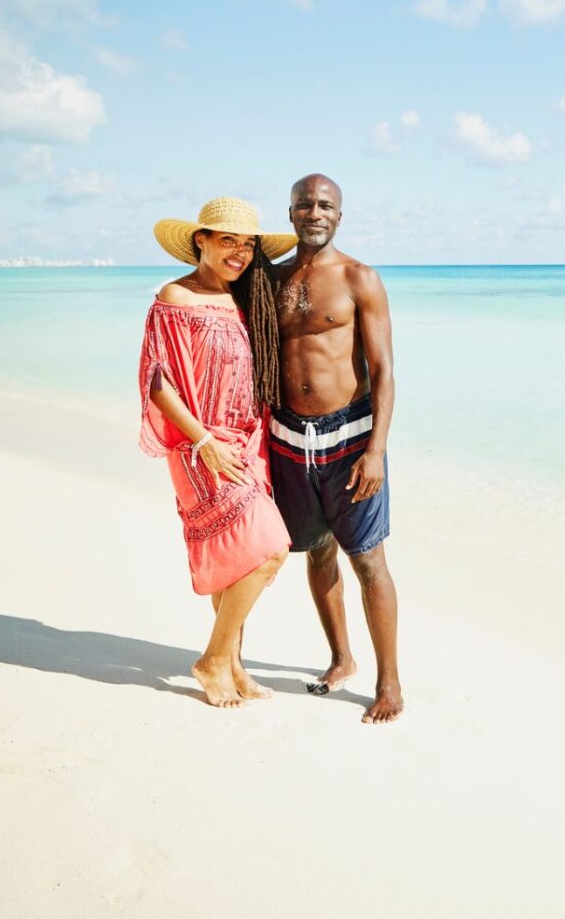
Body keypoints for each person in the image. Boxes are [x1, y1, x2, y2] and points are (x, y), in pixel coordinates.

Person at [139, 196, 298, 708]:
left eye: (247, 244)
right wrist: (204, 443)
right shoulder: (175, 297)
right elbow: (158, 381)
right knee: (271, 550)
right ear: (200, 241)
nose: (239, 252)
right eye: (227, 240)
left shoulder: (243, 297)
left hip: (247, 439)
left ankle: (231, 665)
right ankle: (212, 660)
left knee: (236, 556)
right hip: (198, 443)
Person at [269, 173, 403, 724]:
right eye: (305, 204)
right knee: (317, 550)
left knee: (368, 560)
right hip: (286, 437)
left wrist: (376, 450)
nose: (314, 212)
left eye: (325, 205)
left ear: (339, 216)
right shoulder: (269, 281)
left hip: (349, 440)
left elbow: (384, 371)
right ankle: (341, 659)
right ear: (291, 213)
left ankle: (389, 683)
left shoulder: (359, 278)